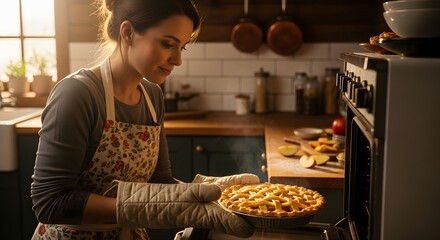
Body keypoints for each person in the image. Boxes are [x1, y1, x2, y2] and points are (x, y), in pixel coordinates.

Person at [30, 0, 259, 239]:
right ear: (128, 32)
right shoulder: (77, 94)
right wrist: (140, 207)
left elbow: (159, 182)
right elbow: (49, 202)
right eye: (167, 44)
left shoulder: (152, 96)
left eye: (182, 47)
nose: (177, 60)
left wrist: (217, 193)